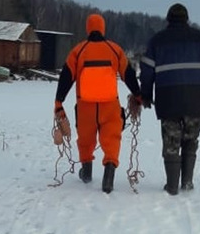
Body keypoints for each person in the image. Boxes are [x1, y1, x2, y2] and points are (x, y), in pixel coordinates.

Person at [139, 3, 200, 195]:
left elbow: (146, 71)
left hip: (168, 99)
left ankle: (172, 186)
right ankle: (187, 181)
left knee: (171, 142)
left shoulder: (157, 41)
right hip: (195, 98)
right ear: (187, 18)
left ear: (168, 18)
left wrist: (145, 95)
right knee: (191, 140)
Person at [54, 13, 142, 193]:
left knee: (85, 140)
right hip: (110, 105)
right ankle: (108, 176)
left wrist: (59, 101)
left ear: (88, 28)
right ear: (103, 28)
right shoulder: (114, 49)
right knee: (112, 139)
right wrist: (138, 95)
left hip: (85, 106)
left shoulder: (78, 51)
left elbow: (65, 77)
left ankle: (86, 173)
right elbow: (129, 74)